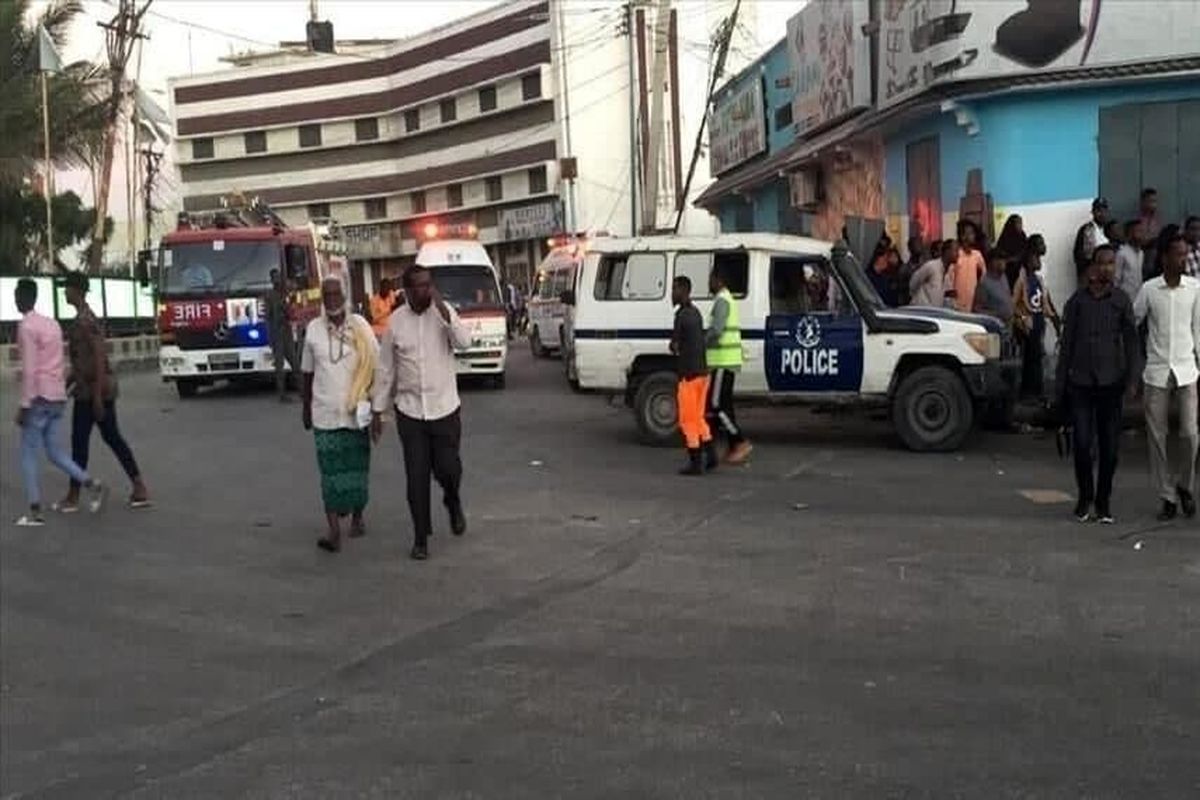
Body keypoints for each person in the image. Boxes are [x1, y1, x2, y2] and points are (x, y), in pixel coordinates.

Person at [371, 265, 472, 561]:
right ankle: (420, 538)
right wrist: (378, 410)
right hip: (410, 412)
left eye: (428, 285)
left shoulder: (443, 314)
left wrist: (443, 309)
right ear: (406, 290)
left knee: (449, 469)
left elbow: (465, 342)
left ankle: (452, 501)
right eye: (417, 286)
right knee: (416, 478)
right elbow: (386, 368)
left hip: (444, 409)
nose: (424, 290)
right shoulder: (396, 323)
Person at [1056, 245, 1139, 524]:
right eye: (1102, 263)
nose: (1106, 268)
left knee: (1110, 448)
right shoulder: (1078, 302)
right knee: (1081, 443)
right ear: (1093, 267)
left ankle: (1103, 502)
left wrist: (1132, 379)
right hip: (1080, 382)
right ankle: (1085, 497)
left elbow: (1131, 342)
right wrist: (1059, 384)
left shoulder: (1122, 301)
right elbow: (1066, 345)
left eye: (1111, 264)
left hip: (1111, 382)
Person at [13, 279, 107, 525]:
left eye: (16, 295)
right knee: (54, 451)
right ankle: (91, 483)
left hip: (39, 397)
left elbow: (31, 369)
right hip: (57, 396)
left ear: (22, 299)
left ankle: (35, 511)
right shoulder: (52, 324)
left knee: (28, 454)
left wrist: (25, 405)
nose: (15, 299)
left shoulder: (26, 327)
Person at [56, 271, 150, 512]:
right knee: (108, 438)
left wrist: (97, 396)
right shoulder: (82, 319)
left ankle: (74, 495)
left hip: (93, 392)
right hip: (88, 389)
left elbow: (99, 358)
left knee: (84, 442)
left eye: (67, 288)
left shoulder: (85, 321)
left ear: (77, 291)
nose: (65, 292)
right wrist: (66, 384)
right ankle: (138, 487)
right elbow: (82, 361)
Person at [302, 276, 379, 552]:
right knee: (330, 474)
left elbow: (376, 367)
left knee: (357, 471)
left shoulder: (361, 327)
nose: (332, 299)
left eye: (336, 294)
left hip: (356, 415)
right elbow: (307, 373)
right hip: (324, 414)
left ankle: (357, 517)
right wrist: (305, 407)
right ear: (322, 299)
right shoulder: (313, 330)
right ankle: (334, 531)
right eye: (327, 295)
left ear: (344, 296)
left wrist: (377, 412)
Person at [1132, 235, 1199, 521]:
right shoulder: (1149, 289)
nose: (1183, 260)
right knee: (1157, 436)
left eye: (1185, 255)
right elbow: (1133, 321)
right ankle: (1167, 495)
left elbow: (1198, 329)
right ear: (1165, 258)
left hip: (1187, 368)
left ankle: (1185, 484)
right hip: (1157, 370)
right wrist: (1135, 363)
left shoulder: (1195, 288)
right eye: (1178, 255)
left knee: (1190, 434)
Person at [705, 265, 752, 464]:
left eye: (711, 279)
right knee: (724, 405)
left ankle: (739, 441)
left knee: (716, 404)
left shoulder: (722, 301)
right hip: (726, 360)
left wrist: (701, 343)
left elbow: (716, 330)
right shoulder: (726, 299)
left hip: (722, 361)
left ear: (718, 280)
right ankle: (730, 446)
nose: (709, 283)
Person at [670, 276, 715, 476]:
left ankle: (695, 463)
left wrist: (673, 346)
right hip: (703, 373)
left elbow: (675, 344)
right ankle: (711, 455)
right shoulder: (696, 313)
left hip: (688, 375)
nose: (672, 293)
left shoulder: (681, 315)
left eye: (675, 289)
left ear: (683, 291)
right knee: (698, 417)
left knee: (687, 420)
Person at [1013, 235, 1060, 400]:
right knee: (1031, 358)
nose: (1038, 262)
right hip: (1028, 321)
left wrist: (1053, 317)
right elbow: (1016, 302)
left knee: (1036, 357)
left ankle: (1035, 390)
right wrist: (1022, 320)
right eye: (1035, 258)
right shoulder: (1022, 277)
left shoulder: (1038, 277)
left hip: (1039, 319)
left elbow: (1044, 297)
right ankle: (1029, 392)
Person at [265, 269, 298, 402]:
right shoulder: (270, 296)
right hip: (277, 333)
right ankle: (282, 395)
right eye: (275, 278)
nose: (277, 280)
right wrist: (270, 338)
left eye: (279, 277)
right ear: (272, 280)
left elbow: (292, 309)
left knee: (295, 364)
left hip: (287, 332)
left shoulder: (285, 293)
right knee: (279, 368)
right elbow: (268, 318)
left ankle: (303, 392)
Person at [946, 219, 985, 313]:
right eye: (970, 233)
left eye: (973, 233)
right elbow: (950, 277)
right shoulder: (957, 255)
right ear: (963, 236)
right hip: (957, 303)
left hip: (973, 301)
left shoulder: (977, 254)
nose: (973, 236)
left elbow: (984, 272)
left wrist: (980, 288)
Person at [973, 249, 1015, 325]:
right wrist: (996, 314)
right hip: (994, 327)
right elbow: (977, 310)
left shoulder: (1004, 277)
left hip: (1008, 327)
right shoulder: (984, 283)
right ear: (992, 262)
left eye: (1004, 260)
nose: (1003, 263)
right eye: (999, 259)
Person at [910, 239, 955, 307]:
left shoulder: (947, 275)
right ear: (947, 252)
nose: (958, 254)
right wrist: (920, 300)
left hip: (934, 313)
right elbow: (913, 282)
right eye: (955, 250)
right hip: (920, 311)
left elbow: (947, 296)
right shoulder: (932, 266)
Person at [1072, 197, 1110, 278]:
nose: (1102, 214)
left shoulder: (1109, 229)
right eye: (1098, 211)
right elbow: (1079, 256)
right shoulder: (1086, 230)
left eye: (1104, 211)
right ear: (1093, 212)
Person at [1114, 219, 1146, 303]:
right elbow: (1116, 279)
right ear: (1129, 234)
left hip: (1138, 296)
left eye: (1142, 231)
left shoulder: (1141, 253)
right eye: (1138, 231)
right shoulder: (1121, 253)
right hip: (1124, 298)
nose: (1142, 234)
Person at [996, 214, 1028, 289]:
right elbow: (999, 257)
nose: (1020, 225)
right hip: (1008, 273)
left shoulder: (1022, 236)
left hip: (1021, 272)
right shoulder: (1005, 238)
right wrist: (1011, 259)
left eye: (1021, 223)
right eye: (1018, 223)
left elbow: (1026, 251)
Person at [895, 236, 926, 307]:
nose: (919, 247)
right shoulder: (904, 269)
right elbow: (901, 291)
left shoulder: (926, 266)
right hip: (911, 305)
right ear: (910, 248)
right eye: (916, 245)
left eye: (920, 244)